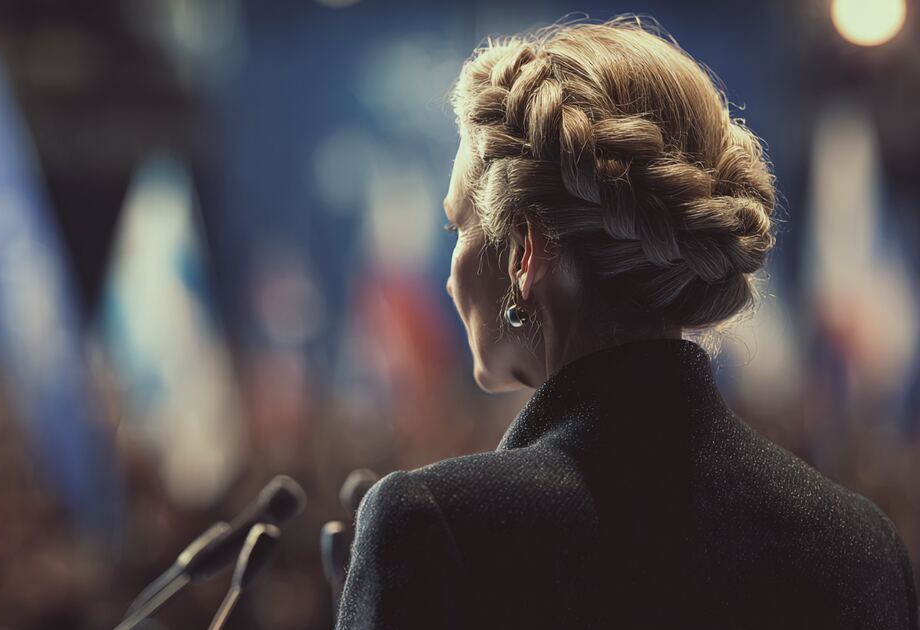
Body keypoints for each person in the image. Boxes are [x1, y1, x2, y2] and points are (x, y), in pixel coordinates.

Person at [336, 17, 918, 630]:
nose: (450, 280)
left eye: (458, 226)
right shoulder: (862, 547)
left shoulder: (437, 530)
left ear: (526, 253)